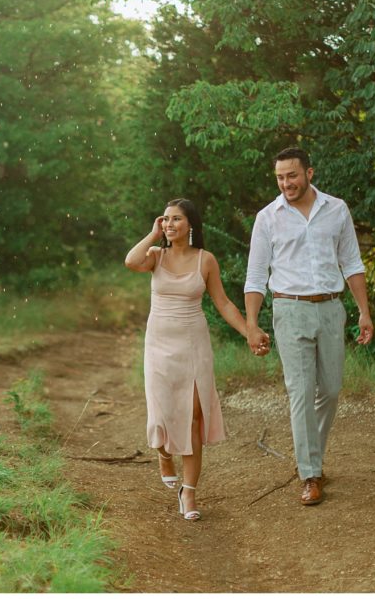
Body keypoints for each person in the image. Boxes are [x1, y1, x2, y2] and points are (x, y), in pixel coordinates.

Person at [125, 198, 270, 521]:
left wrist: (250, 331)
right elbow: (130, 262)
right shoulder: (155, 256)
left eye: (176, 219)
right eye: (165, 219)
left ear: (190, 224)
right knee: (160, 417)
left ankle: (188, 492)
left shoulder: (206, 260)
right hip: (159, 344)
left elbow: (224, 304)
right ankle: (164, 454)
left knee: (192, 417)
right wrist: (152, 234)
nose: (169, 224)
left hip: (193, 344)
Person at [244, 148, 374, 506]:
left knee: (330, 390)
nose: (286, 183)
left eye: (292, 176)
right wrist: (251, 325)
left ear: (309, 173)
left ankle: (310, 456)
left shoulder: (336, 209)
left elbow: (351, 262)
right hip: (289, 308)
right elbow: (256, 275)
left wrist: (364, 311)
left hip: (331, 308)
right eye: (280, 177)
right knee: (300, 391)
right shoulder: (267, 218)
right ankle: (310, 473)